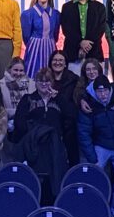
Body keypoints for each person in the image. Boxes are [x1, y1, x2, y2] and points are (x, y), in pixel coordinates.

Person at [11, 67, 75, 197]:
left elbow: (71, 117)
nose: (44, 84)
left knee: (53, 183)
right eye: (41, 81)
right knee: (34, 183)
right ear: (36, 82)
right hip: (33, 146)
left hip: (54, 147)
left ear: (52, 82)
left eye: (47, 81)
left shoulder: (58, 100)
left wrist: (59, 98)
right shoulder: (28, 99)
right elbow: (19, 122)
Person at [78, 75, 114, 211]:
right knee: (94, 178)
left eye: (105, 90)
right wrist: (92, 158)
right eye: (99, 91)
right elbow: (83, 133)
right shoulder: (88, 104)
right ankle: (96, 209)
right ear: (94, 91)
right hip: (101, 146)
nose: (103, 94)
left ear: (110, 89)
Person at [60, 0, 108, 74]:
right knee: (73, 82)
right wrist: (80, 43)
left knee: (95, 83)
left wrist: (86, 44)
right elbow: (67, 30)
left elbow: (100, 29)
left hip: (94, 53)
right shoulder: (66, 7)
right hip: (72, 54)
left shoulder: (99, 7)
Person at [20, 0, 61, 78]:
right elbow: (26, 36)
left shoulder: (56, 14)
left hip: (50, 46)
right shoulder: (28, 14)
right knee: (33, 71)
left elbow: (56, 34)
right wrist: (33, 44)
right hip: (34, 47)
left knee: (50, 72)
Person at [0, 57, 35, 140]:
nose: (18, 73)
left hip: (27, 128)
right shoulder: (0, 85)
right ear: (9, 70)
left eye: (21, 70)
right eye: (15, 70)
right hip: (6, 128)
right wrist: (19, 113)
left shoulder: (32, 84)